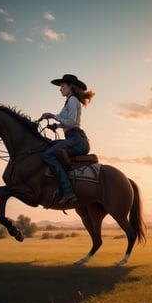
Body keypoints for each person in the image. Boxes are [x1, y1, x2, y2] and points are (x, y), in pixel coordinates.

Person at [41, 74, 95, 205]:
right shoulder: (70, 100)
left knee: (48, 154)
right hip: (73, 137)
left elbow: (71, 122)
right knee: (48, 146)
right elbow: (68, 123)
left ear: (70, 86)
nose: (60, 89)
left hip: (77, 139)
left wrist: (53, 116)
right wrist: (56, 125)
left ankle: (68, 192)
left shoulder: (73, 100)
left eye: (62, 86)